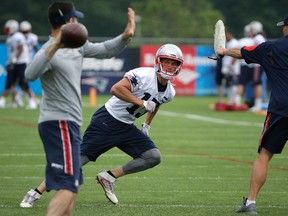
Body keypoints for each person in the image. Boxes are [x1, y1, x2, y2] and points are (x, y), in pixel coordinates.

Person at [20, 43, 183, 207]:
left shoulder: (170, 92)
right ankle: (35, 192)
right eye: (167, 61)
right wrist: (140, 102)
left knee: (153, 157)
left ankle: (109, 177)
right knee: (77, 161)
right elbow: (116, 88)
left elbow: (156, 103)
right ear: (158, 61)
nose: (170, 66)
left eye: (174, 63)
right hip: (107, 121)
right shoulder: (143, 75)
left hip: (126, 126)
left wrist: (147, 125)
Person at [20, 1, 135, 215]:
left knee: (71, 189)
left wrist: (126, 36)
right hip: (57, 122)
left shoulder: (77, 46)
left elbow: (105, 50)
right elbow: (29, 74)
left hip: (70, 124)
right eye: (75, 18)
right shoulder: (49, 50)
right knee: (68, 185)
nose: (78, 21)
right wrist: (55, 45)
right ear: (68, 21)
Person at [216, 16, 288, 214]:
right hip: (280, 107)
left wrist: (222, 51)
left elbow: (241, 52)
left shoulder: (270, 48)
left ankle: (251, 203)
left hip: (280, 109)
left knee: (264, 155)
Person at [0, 19, 37, 109]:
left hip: (20, 63)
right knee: (9, 83)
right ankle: (3, 101)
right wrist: (11, 60)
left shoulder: (18, 36)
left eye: (8, 29)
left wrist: (15, 58)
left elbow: (20, 48)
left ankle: (32, 101)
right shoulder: (10, 38)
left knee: (24, 83)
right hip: (13, 62)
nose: (7, 31)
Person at [15, 20, 39, 108]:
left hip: (29, 60)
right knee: (23, 81)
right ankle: (31, 99)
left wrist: (39, 57)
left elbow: (35, 48)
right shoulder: (18, 37)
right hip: (22, 61)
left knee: (24, 81)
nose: (25, 33)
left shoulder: (33, 37)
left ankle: (21, 97)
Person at [215, 30, 240, 111]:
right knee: (228, 84)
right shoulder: (228, 43)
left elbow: (236, 54)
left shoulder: (234, 42)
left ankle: (236, 101)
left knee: (234, 84)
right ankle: (230, 101)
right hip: (227, 67)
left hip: (232, 68)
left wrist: (231, 66)